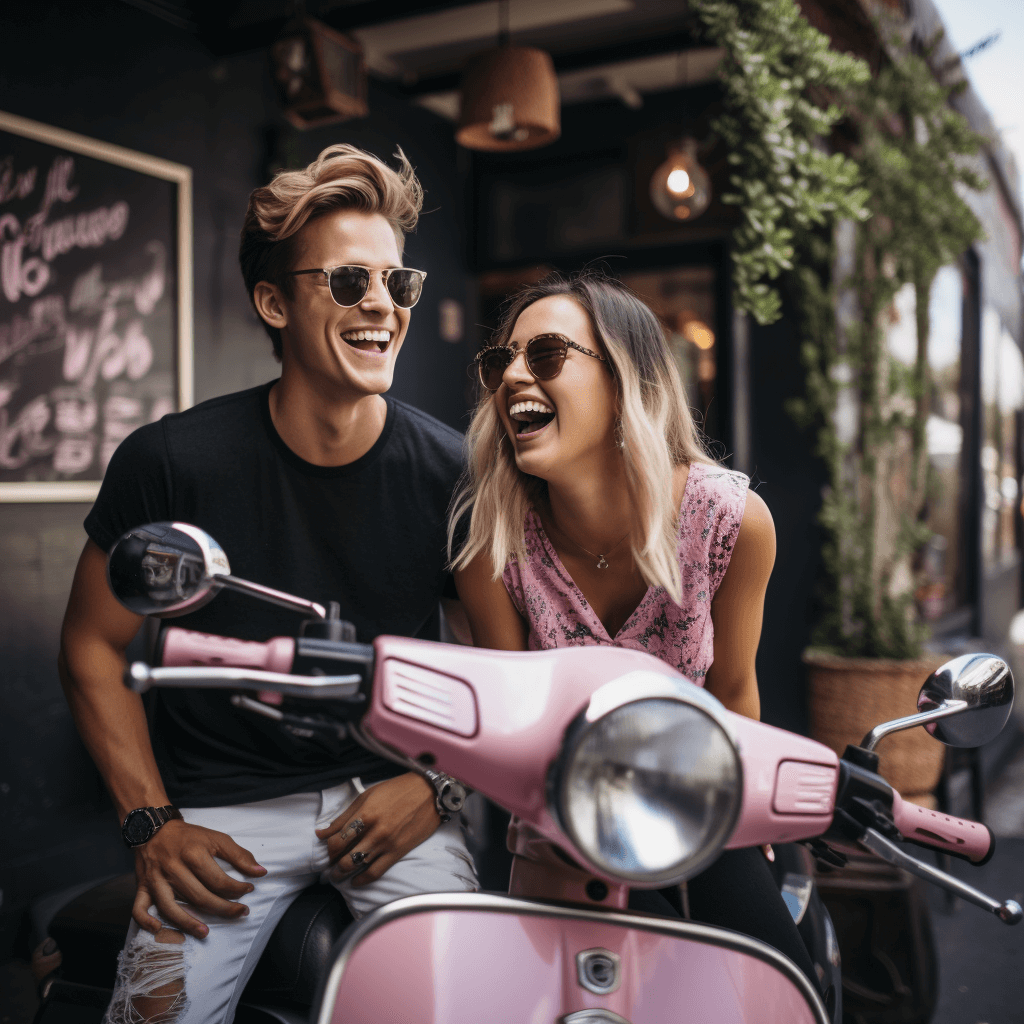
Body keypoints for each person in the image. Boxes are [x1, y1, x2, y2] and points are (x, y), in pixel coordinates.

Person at [58, 144, 478, 1024]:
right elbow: (92, 646)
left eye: (398, 285)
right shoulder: (172, 461)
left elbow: (507, 666)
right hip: (223, 814)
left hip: (392, 797)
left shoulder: (455, 471)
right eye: (350, 281)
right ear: (274, 301)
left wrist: (439, 787)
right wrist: (150, 823)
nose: (382, 306)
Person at [450, 270, 818, 983]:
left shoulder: (731, 522)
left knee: (775, 985)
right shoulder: (494, 548)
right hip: (560, 832)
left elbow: (736, 698)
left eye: (548, 354)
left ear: (626, 382)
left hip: (695, 810)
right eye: (502, 362)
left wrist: (742, 821)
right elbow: (506, 744)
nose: (514, 376)